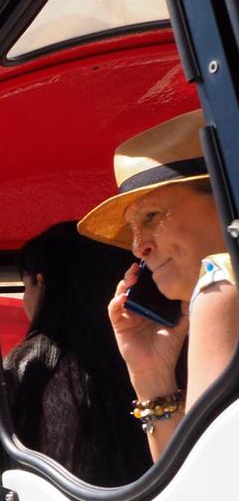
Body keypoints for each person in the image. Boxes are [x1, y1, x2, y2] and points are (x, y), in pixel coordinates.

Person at [79, 110, 239, 461]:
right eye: (133, 230)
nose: (139, 247)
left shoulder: (219, 281)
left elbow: (201, 489)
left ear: (224, 195)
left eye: (151, 216)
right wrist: (150, 374)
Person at [0, 222, 153, 487]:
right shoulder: (143, 350)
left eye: (24, 286)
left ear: (41, 282)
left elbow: (1, 487)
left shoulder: (32, 363)